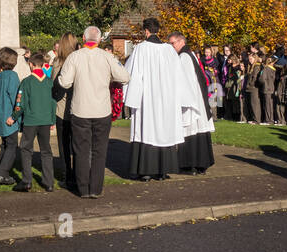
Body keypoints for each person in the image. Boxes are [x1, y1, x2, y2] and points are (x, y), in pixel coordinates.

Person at [59, 25, 130, 197]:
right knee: (99, 150)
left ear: (83, 39)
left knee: (81, 150)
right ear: (99, 40)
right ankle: (96, 189)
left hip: (80, 109)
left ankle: (82, 189)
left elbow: (65, 82)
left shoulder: (74, 57)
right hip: (101, 110)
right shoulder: (107, 57)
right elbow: (125, 77)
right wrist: (109, 77)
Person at [122, 19, 184, 182]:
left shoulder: (141, 49)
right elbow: (178, 76)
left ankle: (146, 171)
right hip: (166, 99)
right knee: (164, 130)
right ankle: (163, 171)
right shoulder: (169, 51)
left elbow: (132, 74)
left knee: (147, 130)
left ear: (146, 31)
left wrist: (130, 98)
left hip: (147, 100)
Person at [171, 33, 215, 174]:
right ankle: (201, 164)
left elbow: (184, 81)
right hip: (197, 99)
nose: (172, 47)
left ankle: (189, 165)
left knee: (190, 131)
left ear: (181, 41)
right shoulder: (190, 54)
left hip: (191, 101)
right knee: (198, 131)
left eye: (173, 43)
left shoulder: (184, 57)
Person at [13, 51, 57, 191]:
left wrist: (13, 116)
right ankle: (49, 182)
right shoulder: (49, 82)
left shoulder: (26, 82)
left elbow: (21, 103)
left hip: (31, 121)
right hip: (45, 120)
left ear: (31, 65)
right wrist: (52, 120)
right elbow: (53, 103)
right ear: (43, 65)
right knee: (46, 151)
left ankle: (26, 181)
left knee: (26, 149)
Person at [0, 47, 23, 187]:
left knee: (5, 144)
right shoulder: (11, 76)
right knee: (11, 145)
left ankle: (1, 170)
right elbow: (16, 96)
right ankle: (2, 174)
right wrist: (17, 116)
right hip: (8, 113)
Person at [52, 33, 78, 189]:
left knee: (64, 145)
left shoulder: (58, 62)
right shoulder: (79, 60)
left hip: (61, 110)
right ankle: (77, 174)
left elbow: (54, 85)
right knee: (77, 145)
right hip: (78, 108)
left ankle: (67, 175)